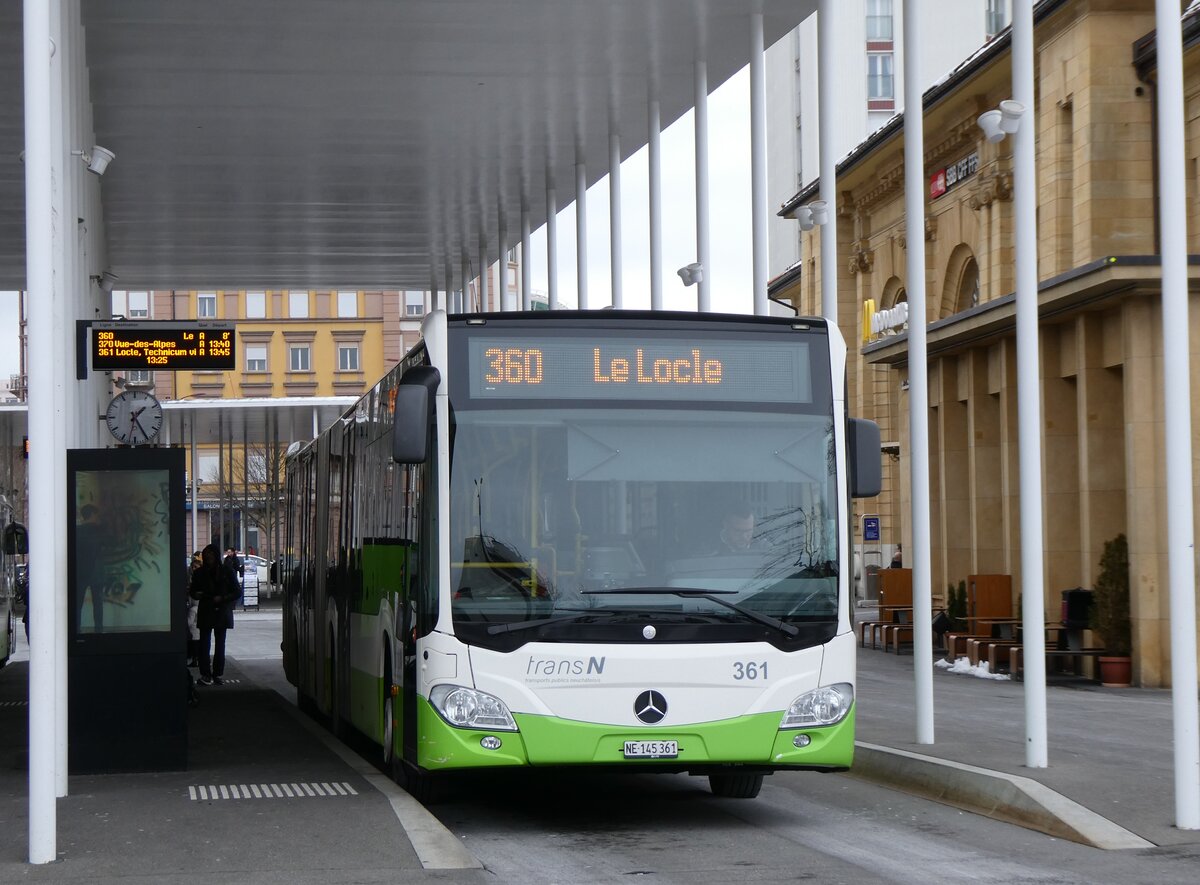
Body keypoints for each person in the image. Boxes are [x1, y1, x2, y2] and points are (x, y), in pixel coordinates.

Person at [189, 544, 241, 685]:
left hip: (216, 609)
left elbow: (237, 591)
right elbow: (192, 591)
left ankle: (213, 674)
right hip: (213, 609)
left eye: (211, 556)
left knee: (214, 643)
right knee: (208, 643)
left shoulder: (224, 571)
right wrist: (196, 594)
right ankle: (211, 674)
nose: (209, 558)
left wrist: (222, 598)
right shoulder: (209, 572)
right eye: (207, 556)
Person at [185, 551, 202, 667]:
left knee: (195, 635)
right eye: (193, 566)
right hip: (194, 606)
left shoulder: (199, 579)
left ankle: (196, 659)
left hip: (196, 608)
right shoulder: (191, 576)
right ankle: (197, 658)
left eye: (196, 566)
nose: (194, 568)